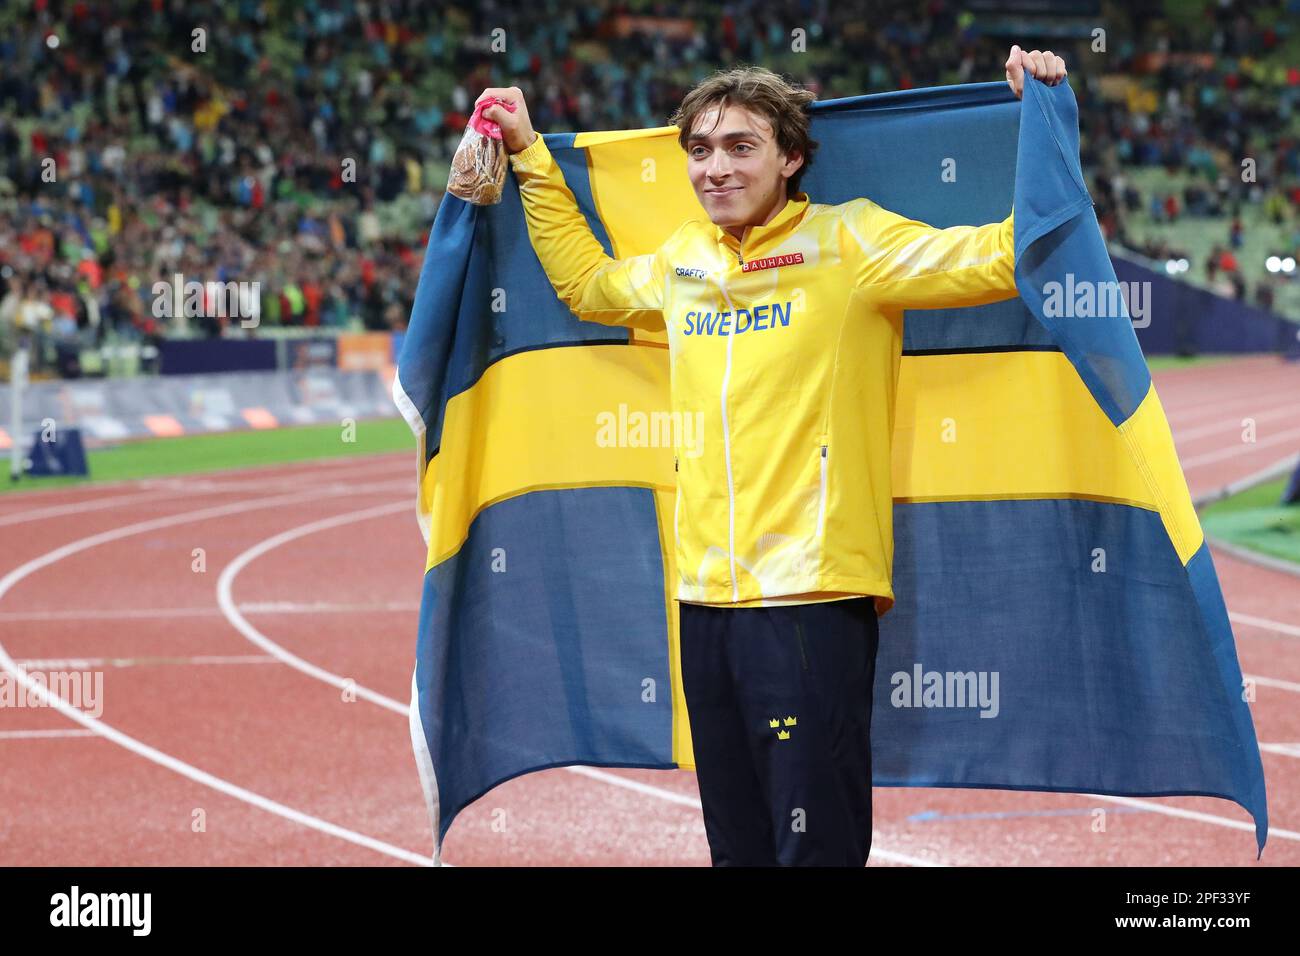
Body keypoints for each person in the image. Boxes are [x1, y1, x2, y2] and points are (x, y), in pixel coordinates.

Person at [477, 44, 1067, 867]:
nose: (715, 168)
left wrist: (1045, 116)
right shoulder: (685, 262)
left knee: (813, 839)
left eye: (740, 146)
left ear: (791, 157)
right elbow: (591, 287)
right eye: (700, 150)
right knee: (739, 839)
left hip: (812, 594)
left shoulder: (851, 243)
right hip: (705, 596)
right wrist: (533, 156)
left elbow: (1009, 255)